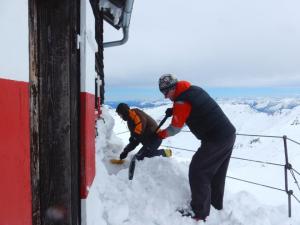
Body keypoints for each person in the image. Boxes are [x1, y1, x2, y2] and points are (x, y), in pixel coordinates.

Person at [156, 74, 236, 221]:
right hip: (228, 134)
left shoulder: (181, 101)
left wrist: (160, 135)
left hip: (215, 139)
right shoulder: (193, 90)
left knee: (198, 170)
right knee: (217, 172)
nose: (165, 97)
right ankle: (215, 204)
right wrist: (173, 111)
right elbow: (195, 107)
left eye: (166, 92)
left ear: (173, 88)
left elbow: (175, 128)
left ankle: (199, 212)